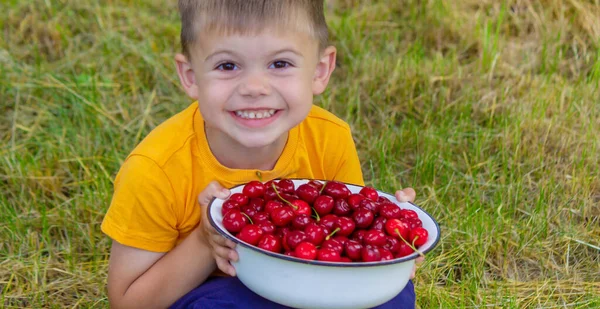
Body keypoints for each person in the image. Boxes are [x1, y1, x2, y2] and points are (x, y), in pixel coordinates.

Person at [101, 1, 421, 308]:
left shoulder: (330, 138)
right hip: (218, 293)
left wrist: (388, 242)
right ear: (190, 76)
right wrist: (204, 241)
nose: (255, 87)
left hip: (314, 284)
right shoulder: (156, 169)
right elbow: (128, 300)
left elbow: (343, 242)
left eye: (279, 64)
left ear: (319, 71)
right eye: (227, 65)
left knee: (394, 297)